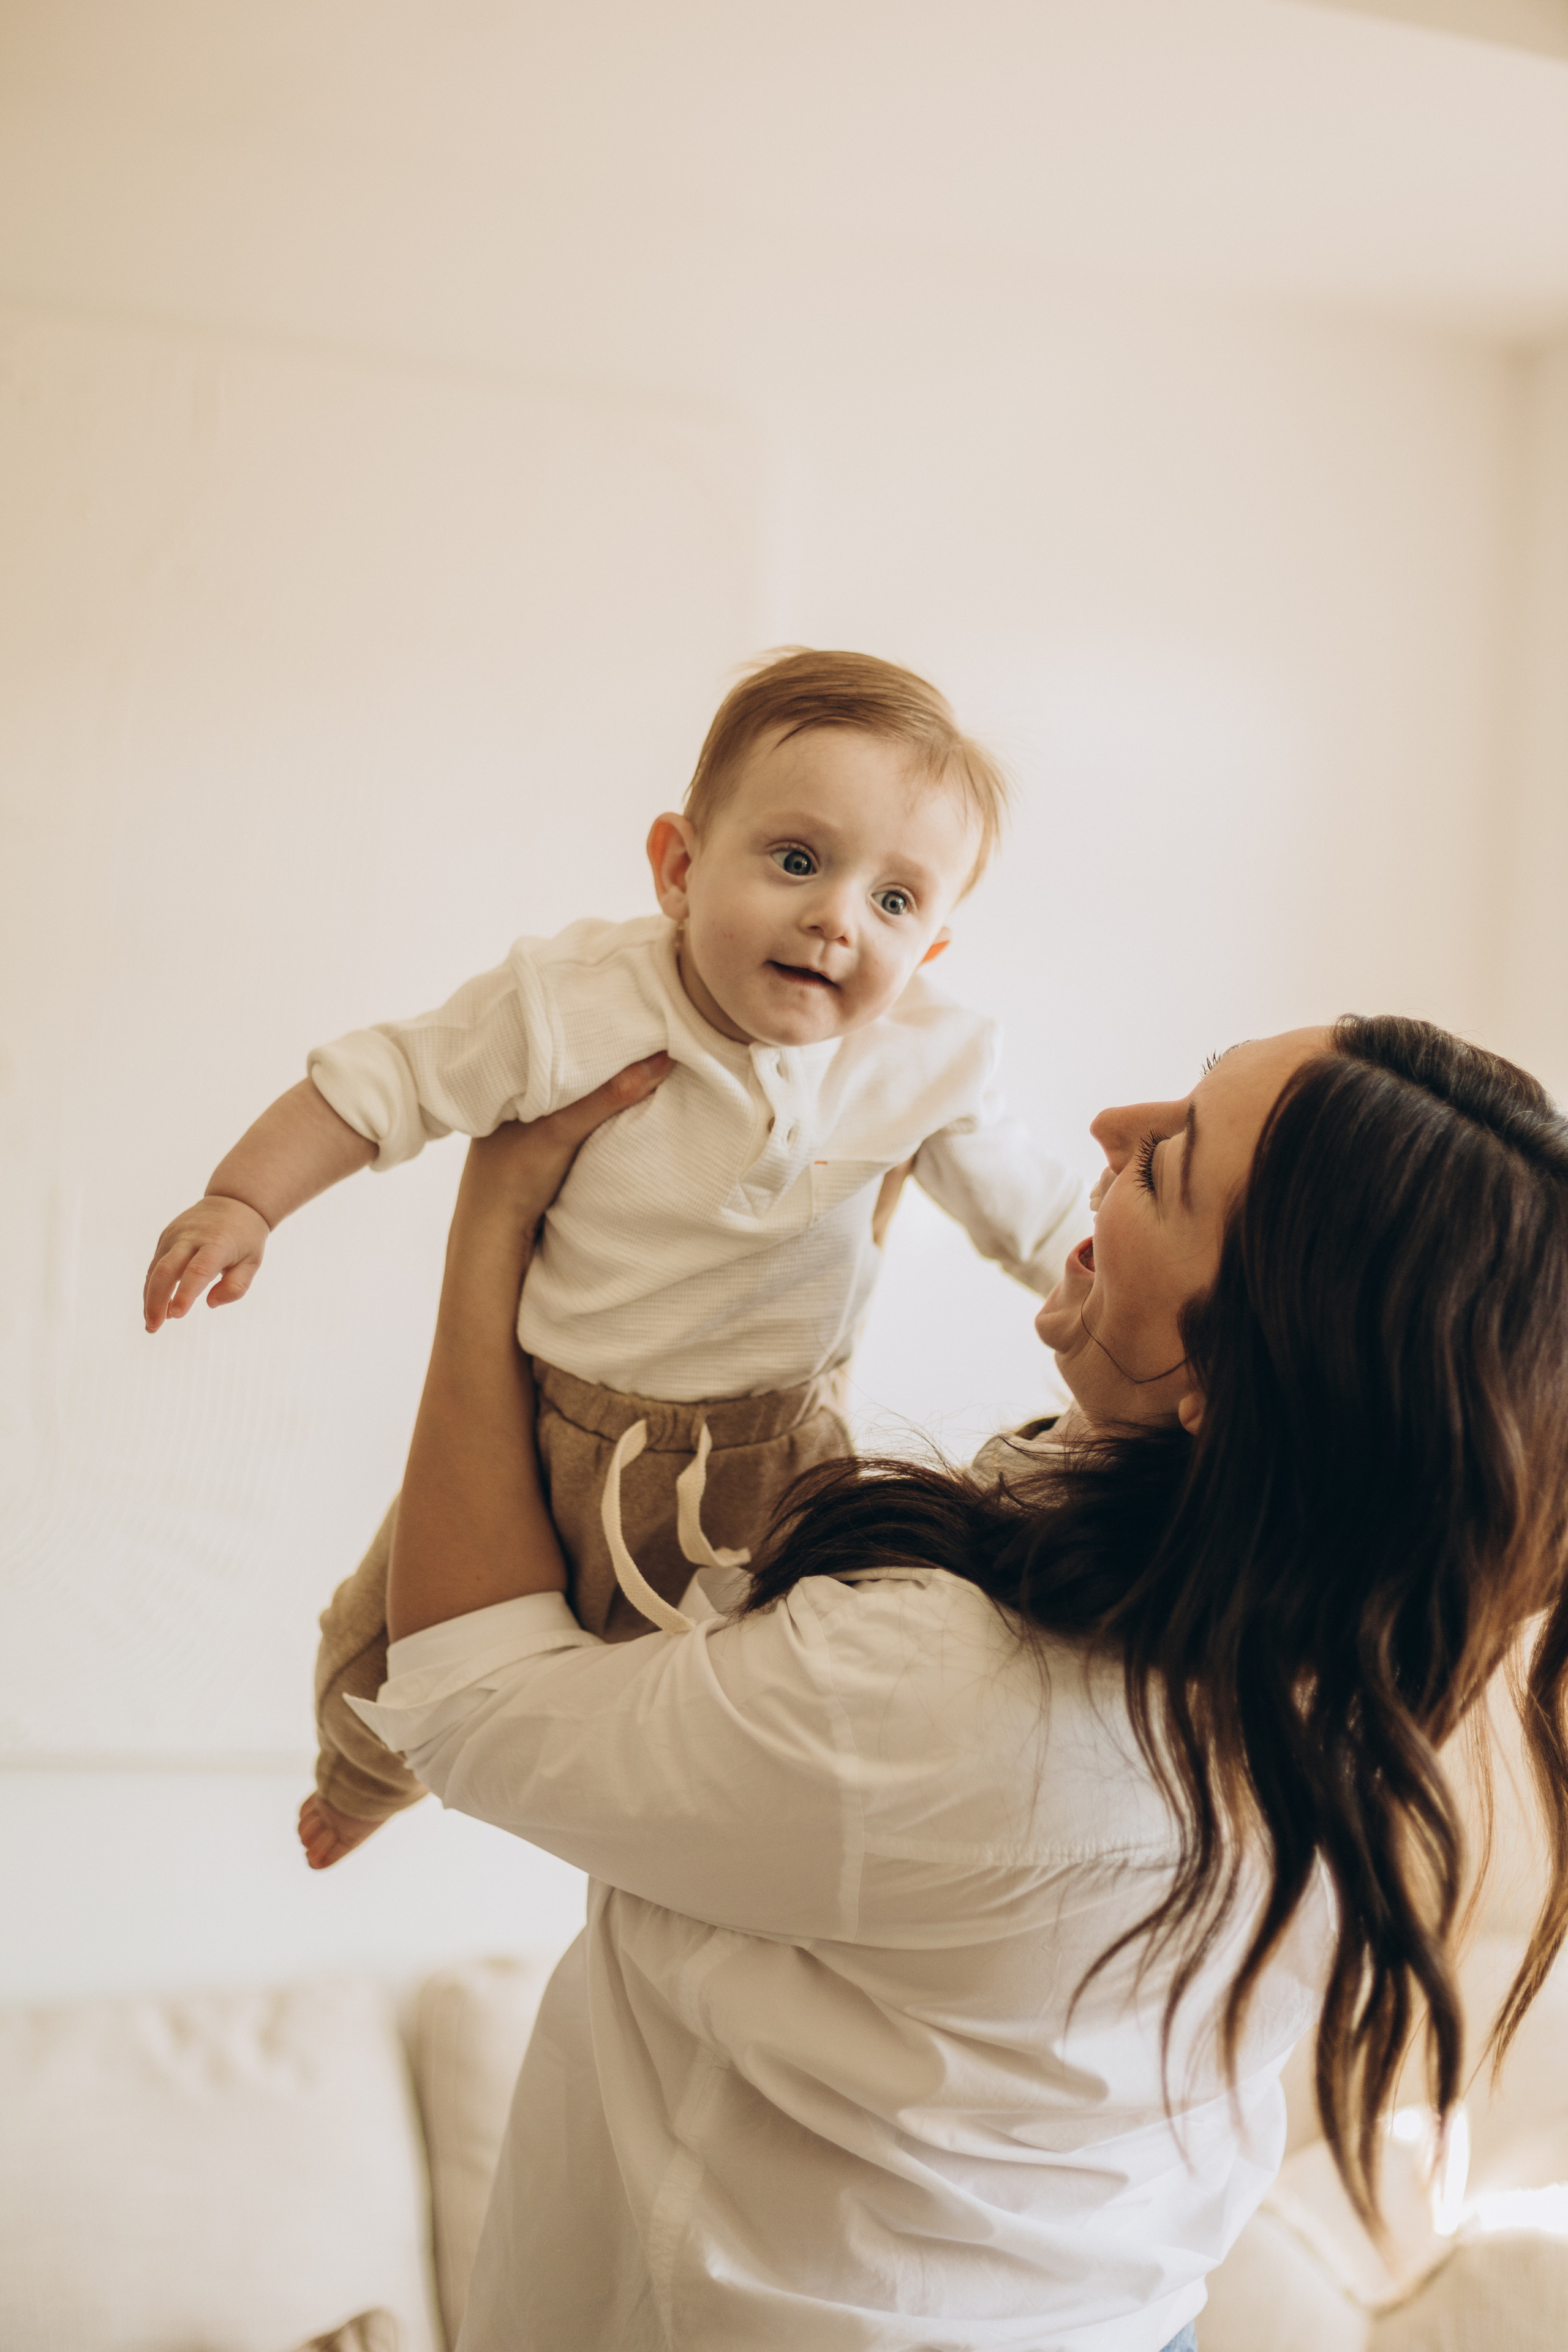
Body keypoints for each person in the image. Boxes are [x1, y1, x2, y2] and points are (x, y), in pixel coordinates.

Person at [349, 1011, 1568, 2351]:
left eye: (1167, 1163)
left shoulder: (949, 1693)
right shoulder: (1336, 1701)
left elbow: (472, 1701)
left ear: (1228, 1382)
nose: (1112, 1126)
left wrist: (497, 1211)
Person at [138, 650, 1087, 1867]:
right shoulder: (576, 1001)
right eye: (798, 860)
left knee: (781, 1670)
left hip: (776, 1442)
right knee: (386, 1647)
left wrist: (1151, 1312)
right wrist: (245, 1202)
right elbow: (387, 1080)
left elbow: (1038, 1215)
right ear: (679, 870)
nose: (836, 918)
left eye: (895, 902)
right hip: (557, 1424)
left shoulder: (926, 1060)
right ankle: (363, 1783)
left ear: (933, 951)